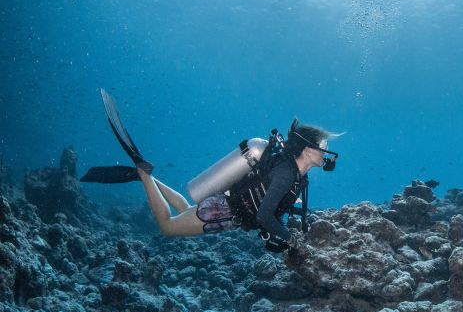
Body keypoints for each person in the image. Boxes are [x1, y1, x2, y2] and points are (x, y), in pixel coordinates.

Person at [81, 89, 339, 252]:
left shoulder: (296, 174)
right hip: (223, 212)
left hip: (225, 207)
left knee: (183, 211)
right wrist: (291, 240)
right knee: (168, 227)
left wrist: (283, 234)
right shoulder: (287, 173)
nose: (326, 151)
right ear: (307, 149)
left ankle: (147, 177)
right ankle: (143, 174)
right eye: (323, 146)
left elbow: (272, 209)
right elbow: (263, 215)